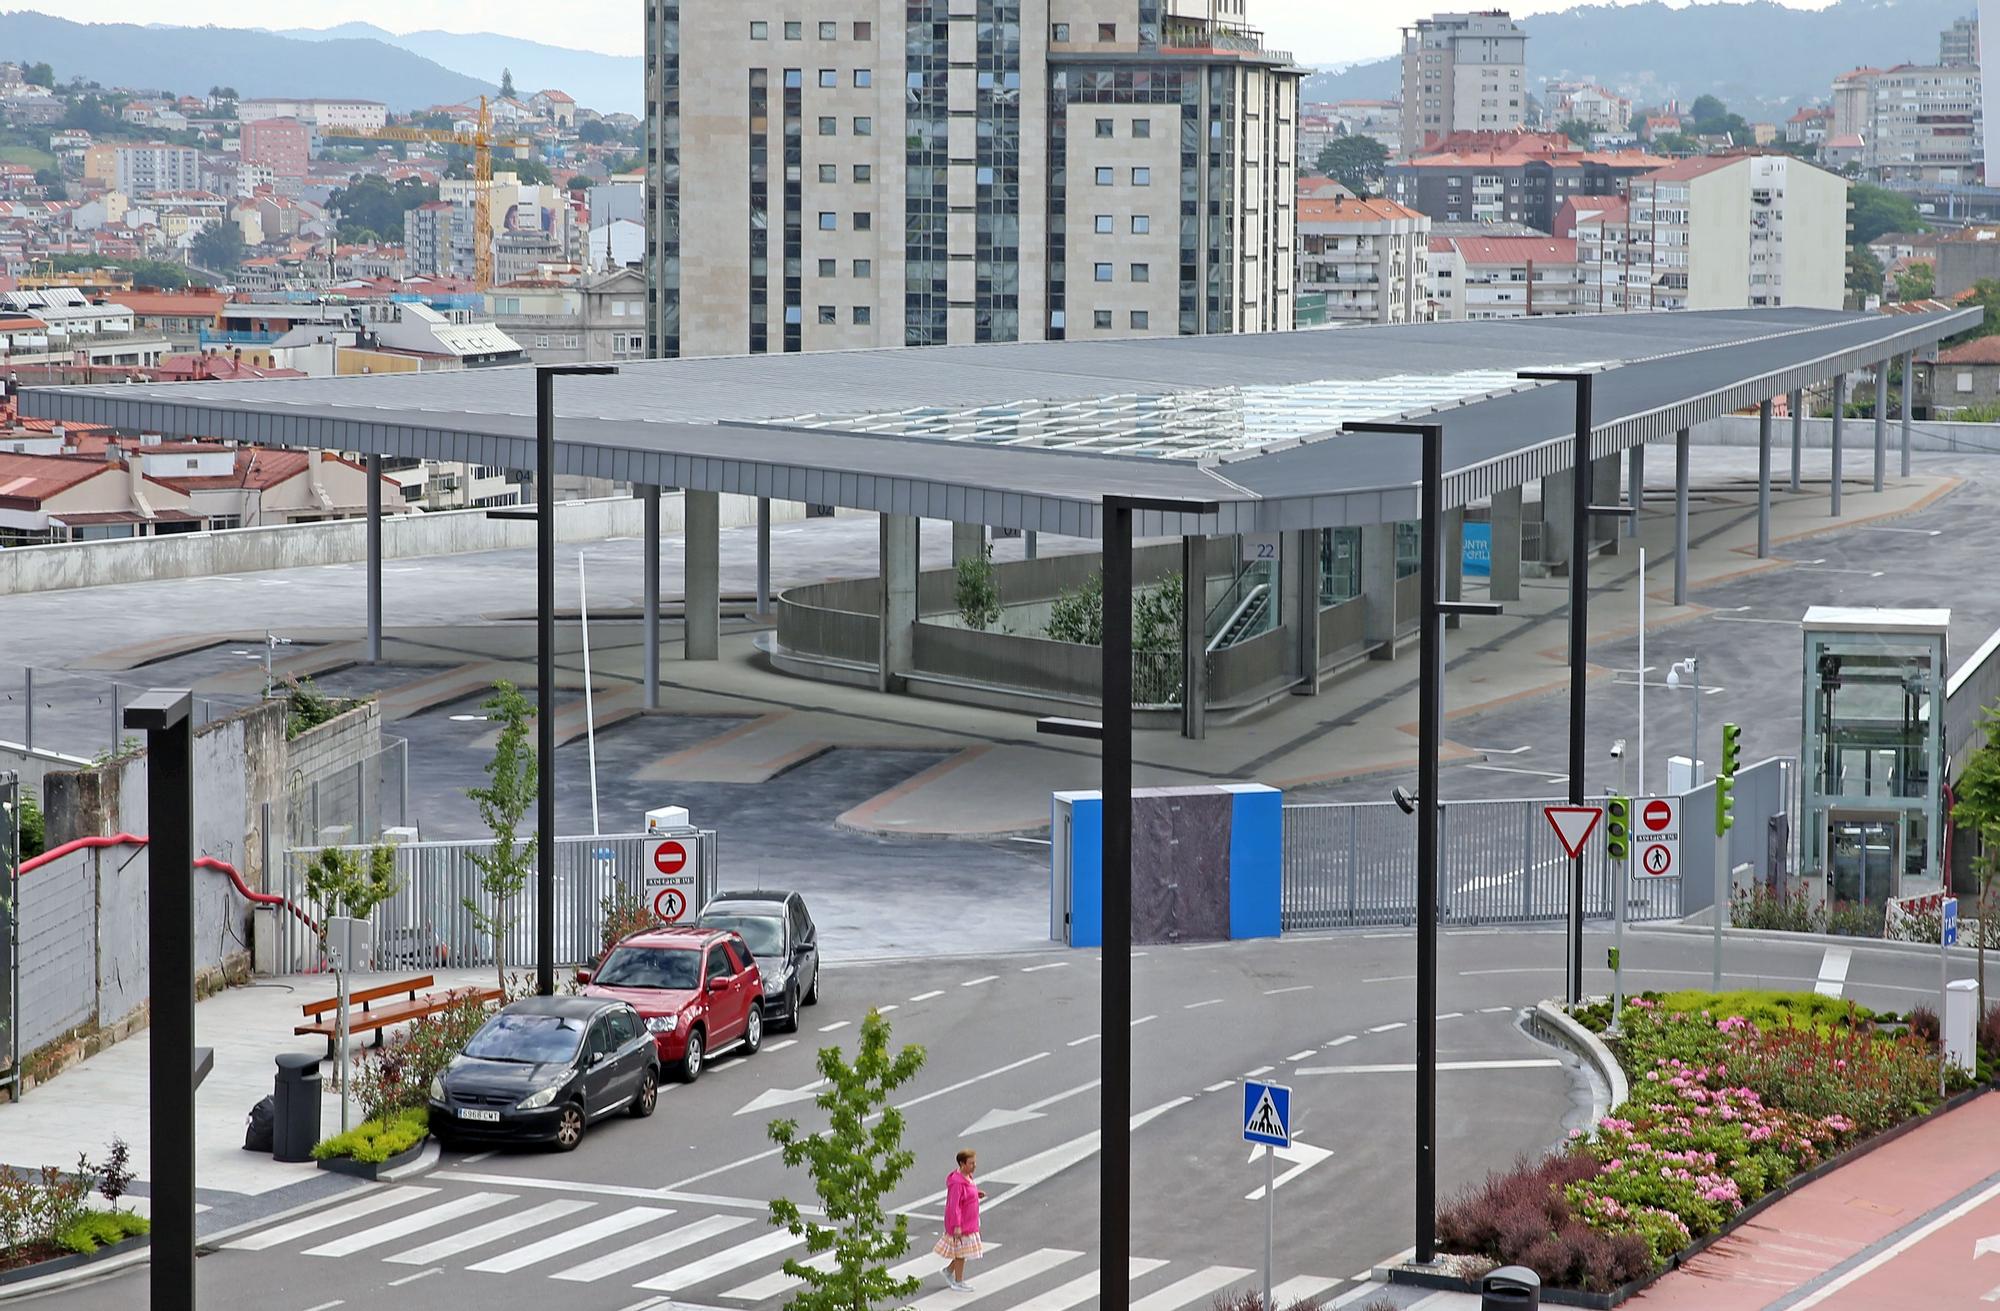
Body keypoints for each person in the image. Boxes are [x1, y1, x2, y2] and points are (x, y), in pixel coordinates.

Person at [934, 1147, 986, 1290]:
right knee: (961, 1253)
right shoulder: (957, 1183)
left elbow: (967, 1194)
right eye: (971, 1163)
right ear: (962, 1164)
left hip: (969, 1221)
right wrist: (957, 1225)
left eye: (974, 1163)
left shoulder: (967, 1177)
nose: (974, 1166)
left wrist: (976, 1194)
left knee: (963, 1252)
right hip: (961, 1223)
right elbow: (954, 1205)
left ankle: (949, 1272)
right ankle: (958, 1281)